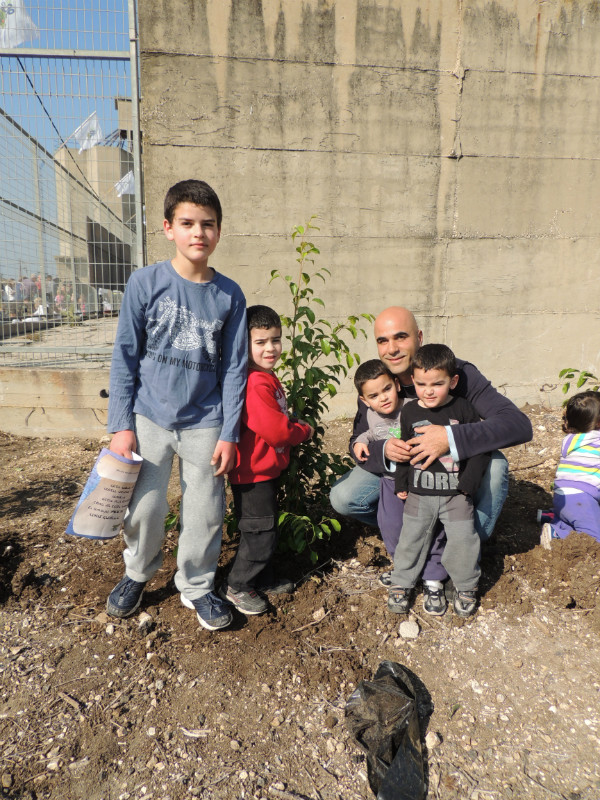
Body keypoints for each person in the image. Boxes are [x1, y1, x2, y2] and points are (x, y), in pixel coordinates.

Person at [105, 179, 247, 631]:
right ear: (168, 228)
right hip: (149, 416)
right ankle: (137, 574)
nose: (197, 233)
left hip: (205, 419)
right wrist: (121, 424)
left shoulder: (229, 295)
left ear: (219, 232)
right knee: (144, 506)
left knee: (205, 508)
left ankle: (197, 585)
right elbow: (125, 356)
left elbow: (235, 368)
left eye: (207, 224)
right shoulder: (145, 283)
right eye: (187, 223)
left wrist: (228, 432)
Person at [330, 306, 533, 572]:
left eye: (400, 337)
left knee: (496, 467)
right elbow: (357, 440)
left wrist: (449, 436)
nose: (391, 348)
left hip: (452, 467)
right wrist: (385, 450)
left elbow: (517, 424)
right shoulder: (378, 380)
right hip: (404, 469)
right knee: (344, 497)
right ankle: (418, 533)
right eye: (383, 340)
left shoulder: (456, 373)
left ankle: (464, 549)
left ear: (419, 337)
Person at [388, 344, 490, 617]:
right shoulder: (409, 412)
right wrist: (401, 482)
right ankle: (401, 582)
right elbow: (404, 449)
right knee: (410, 538)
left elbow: (480, 449)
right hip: (420, 494)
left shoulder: (464, 410)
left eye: (437, 383)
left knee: (463, 540)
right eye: (421, 384)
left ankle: (465, 585)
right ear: (412, 381)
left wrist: (468, 484)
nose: (428, 390)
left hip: (455, 495)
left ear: (453, 381)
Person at [224, 305, 314, 615]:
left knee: (262, 529)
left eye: (275, 340)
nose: (271, 348)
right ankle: (237, 586)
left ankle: (260, 578)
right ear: (245, 344)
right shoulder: (255, 383)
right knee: (260, 533)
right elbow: (276, 431)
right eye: (260, 342)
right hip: (252, 473)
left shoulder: (265, 376)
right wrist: (303, 430)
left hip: (263, 470)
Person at [351, 358, 450, 611]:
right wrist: (359, 443)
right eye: (373, 395)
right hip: (390, 482)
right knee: (392, 525)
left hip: (421, 481)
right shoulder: (371, 417)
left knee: (431, 527)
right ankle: (404, 569)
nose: (383, 398)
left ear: (396, 384)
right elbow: (367, 435)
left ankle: (433, 578)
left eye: (386, 389)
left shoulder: (414, 407)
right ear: (365, 402)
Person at [541, 391, 600, 548]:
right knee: (594, 538)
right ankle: (556, 535)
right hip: (582, 499)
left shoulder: (570, 440)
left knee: (575, 518)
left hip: (562, 496)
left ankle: (551, 517)